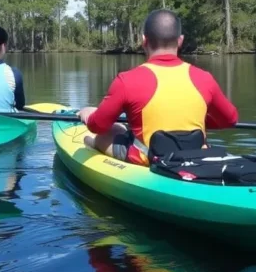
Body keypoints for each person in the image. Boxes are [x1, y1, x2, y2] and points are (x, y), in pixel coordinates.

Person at [77, 9, 239, 166]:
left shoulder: (126, 80)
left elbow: (97, 126)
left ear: (144, 40)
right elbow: (230, 119)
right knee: (120, 128)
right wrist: (189, 121)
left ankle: (91, 143)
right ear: (180, 40)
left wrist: (88, 114)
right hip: (194, 156)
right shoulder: (205, 78)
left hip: (149, 160)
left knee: (104, 135)